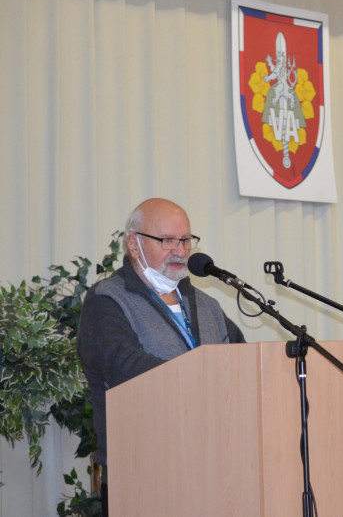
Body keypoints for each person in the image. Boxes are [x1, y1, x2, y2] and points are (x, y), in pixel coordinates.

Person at [77, 198, 246, 517]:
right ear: (134, 244)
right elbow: (125, 367)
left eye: (186, 240)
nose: (180, 251)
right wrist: (205, 380)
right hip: (143, 475)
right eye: (167, 240)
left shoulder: (207, 306)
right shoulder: (106, 300)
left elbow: (242, 364)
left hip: (216, 470)